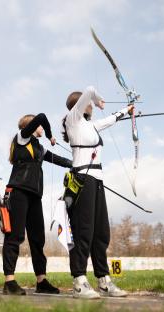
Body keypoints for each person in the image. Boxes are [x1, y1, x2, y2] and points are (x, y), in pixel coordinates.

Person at [62, 86, 131, 299]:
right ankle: (79, 282)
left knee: (101, 233)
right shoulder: (72, 120)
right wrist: (99, 99)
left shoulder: (90, 125)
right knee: (84, 231)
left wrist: (125, 111)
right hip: (82, 180)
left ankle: (103, 280)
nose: (92, 106)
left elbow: (109, 120)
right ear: (80, 104)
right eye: (89, 104)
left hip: (97, 181)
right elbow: (90, 89)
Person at [2, 113, 72, 295]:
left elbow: (58, 159)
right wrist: (50, 136)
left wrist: (75, 164)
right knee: (15, 236)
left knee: (37, 238)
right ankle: (9, 281)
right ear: (32, 126)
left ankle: (41, 281)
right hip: (18, 192)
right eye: (39, 127)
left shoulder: (39, 149)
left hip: (34, 195)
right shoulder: (22, 138)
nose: (41, 128)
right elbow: (41, 116)